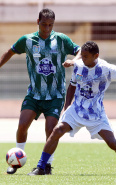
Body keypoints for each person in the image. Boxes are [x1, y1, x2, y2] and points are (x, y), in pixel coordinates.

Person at [27, 41, 116, 175]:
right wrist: (66, 107)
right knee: (57, 131)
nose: (82, 59)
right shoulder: (78, 65)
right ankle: (41, 167)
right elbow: (72, 85)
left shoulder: (107, 69)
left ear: (96, 56)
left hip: (96, 113)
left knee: (112, 143)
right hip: (76, 110)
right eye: (81, 56)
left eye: (86, 56)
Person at [0, 8, 81, 175]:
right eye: (44, 24)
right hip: (34, 93)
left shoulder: (61, 40)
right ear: (38, 22)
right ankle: (15, 162)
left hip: (56, 95)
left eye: (50, 25)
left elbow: (80, 50)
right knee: (22, 125)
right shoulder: (28, 40)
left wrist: (74, 60)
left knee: (51, 130)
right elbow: (10, 52)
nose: (47, 28)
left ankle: (47, 165)